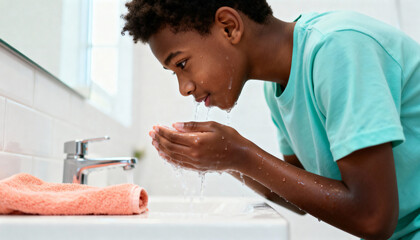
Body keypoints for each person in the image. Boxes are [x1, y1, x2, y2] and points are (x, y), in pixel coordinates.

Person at [121, 1, 420, 239]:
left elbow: (373, 217)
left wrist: (242, 154)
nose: (184, 87)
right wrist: (225, 160)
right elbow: (301, 196)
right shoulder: (277, 88)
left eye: (182, 64)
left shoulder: (338, 48)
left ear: (228, 26)